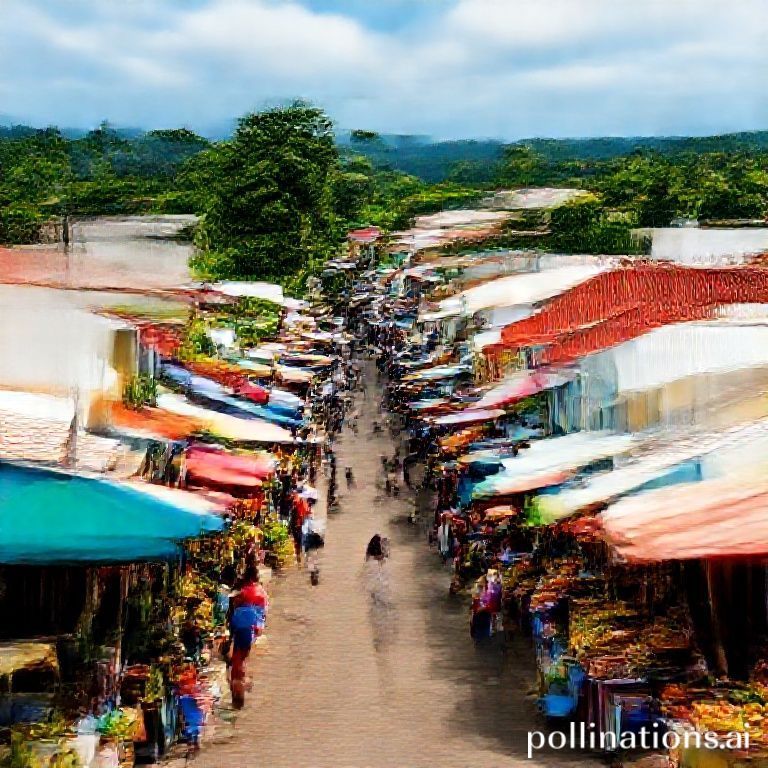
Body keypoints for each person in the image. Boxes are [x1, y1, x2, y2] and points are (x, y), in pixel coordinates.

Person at [228, 566, 268, 707]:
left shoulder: (242, 592)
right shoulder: (261, 592)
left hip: (243, 629)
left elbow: (233, 609)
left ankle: (238, 693)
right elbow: (263, 614)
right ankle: (241, 689)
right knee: (242, 661)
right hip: (254, 630)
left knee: (238, 663)